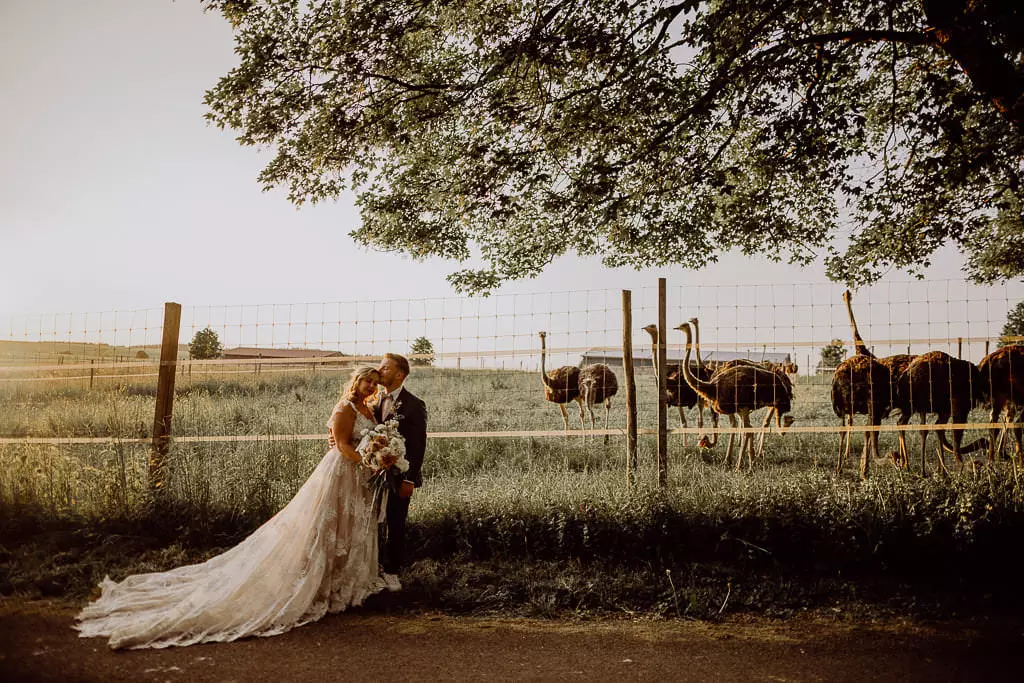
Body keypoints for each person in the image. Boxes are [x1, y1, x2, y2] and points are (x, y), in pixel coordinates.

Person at [75, 367, 388, 649]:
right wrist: (369, 461)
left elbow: (365, 439)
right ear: (355, 382)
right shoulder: (345, 408)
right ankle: (319, 579)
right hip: (343, 472)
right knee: (327, 525)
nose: (370, 385)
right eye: (366, 380)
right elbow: (343, 444)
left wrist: (377, 458)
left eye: (374, 381)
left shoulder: (370, 409)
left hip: (360, 476)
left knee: (351, 526)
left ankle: (344, 579)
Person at [374, 353, 428, 582]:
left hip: (400, 474)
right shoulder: (372, 401)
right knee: (371, 522)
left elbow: (418, 445)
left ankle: (392, 571)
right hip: (372, 474)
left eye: (385, 368)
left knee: (396, 522)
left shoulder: (414, 405)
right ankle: (372, 567)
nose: (379, 370)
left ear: (399, 374)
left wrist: (410, 479)